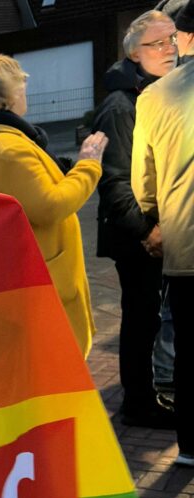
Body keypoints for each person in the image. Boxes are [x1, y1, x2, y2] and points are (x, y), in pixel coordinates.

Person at [0, 54, 107, 358]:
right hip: (41, 291)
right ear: (10, 96)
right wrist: (88, 165)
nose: (26, 94)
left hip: (25, 286)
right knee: (57, 383)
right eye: (22, 87)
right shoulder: (7, 148)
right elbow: (51, 205)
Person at [93, 10, 177, 428]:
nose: (168, 50)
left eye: (172, 41)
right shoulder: (121, 104)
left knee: (150, 318)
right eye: (157, 43)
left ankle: (146, 396)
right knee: (141, 319)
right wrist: (147, 231)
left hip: (160, 230)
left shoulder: (158, 95)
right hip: (137, 235)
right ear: (133, 52)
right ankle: (138, 403)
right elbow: (112, 182)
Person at [133, 11, 194, 466]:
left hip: (186, 244)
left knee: (188, 345)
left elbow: (143, 182)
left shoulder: (154, 97)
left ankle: (190, 445)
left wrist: (156, 217)